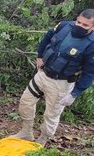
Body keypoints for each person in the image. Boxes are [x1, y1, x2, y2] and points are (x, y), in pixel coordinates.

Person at [12, 9, 94, 146]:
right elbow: (47, 37)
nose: (79, 26)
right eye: (78, 22)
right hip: (43, 74)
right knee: (25, 102)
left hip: (61, 84)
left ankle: (42, 140)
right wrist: (39, 56)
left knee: (51, 115)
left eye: (85, 25)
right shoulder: (64, 26)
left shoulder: (91, 45)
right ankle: (26, 132)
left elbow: (89, 73)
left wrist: (75, 93)